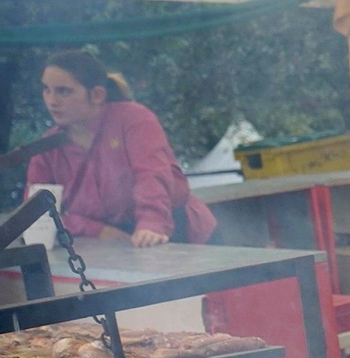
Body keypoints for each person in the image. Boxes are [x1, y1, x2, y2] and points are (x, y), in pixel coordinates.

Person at [29, 50, 216, 246]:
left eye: (63, 91)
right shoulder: (47, 146)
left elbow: (152, 175)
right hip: (106, 245)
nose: (51, 100)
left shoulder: (133, 119)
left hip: (179, 235)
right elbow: (37, 214)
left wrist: (152, 225)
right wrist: (96, 229)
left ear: (97, 95)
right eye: (46, 90)